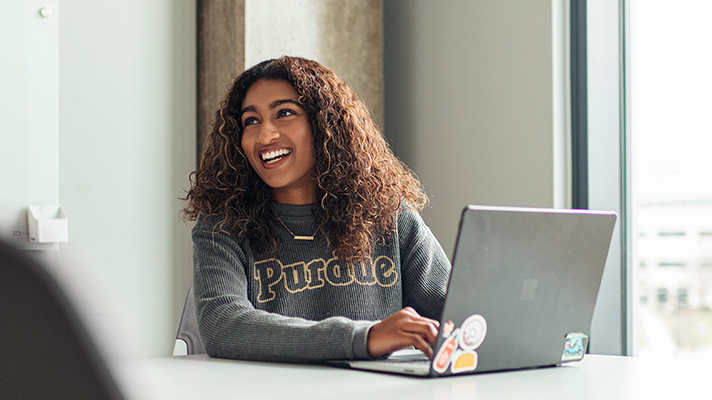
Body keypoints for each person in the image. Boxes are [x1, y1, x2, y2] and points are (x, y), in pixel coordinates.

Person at [182, 56, 451, 363]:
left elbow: (460, 315)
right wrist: (364, 338)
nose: (265, 135)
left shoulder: (388, 216)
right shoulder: (222, 225)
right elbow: (222, 324)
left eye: (284, 113)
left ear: (325, 125)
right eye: (251, 121)